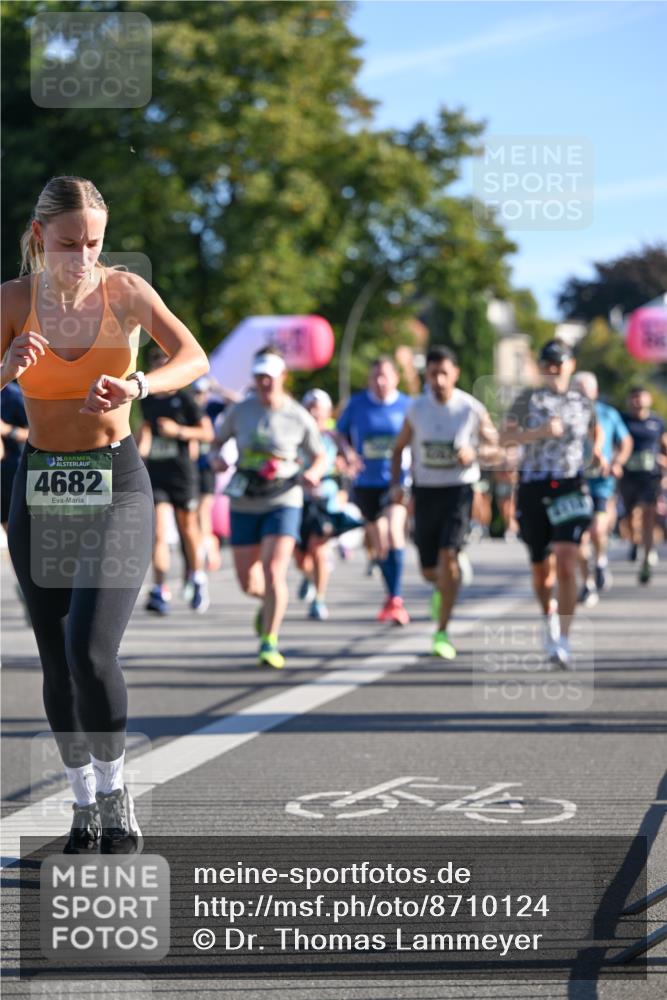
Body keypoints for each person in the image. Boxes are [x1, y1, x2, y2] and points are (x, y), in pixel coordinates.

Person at [1, 176, 208, 854]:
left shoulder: (124, 291)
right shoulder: (11, 301)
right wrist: (5, 369)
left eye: (94, 242)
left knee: (91, 650)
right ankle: (82, 804)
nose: (82, 256)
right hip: (40, 485)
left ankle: (117, 797)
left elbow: (191, 355)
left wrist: (139, 383)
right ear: (40, 238)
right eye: (68, 244)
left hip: (115, 481)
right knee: (55, 663)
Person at [212, 347, 326, 668]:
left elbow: (318, 454)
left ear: (282, 378)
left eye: (269, 378)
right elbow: (217, 442)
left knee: (274, 570)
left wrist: (314, 473)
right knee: (248, 582)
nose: (264, 384)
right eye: (259, 377)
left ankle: (269, 641)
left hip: (283, 498)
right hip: (245, 498)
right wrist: (216, 458)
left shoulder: (297, 415)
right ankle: (269, 604)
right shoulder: (240, 411)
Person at [391, 345, 500, 659]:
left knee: (448, 557)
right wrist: (396, 485)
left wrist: (475, 454)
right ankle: (442, 584)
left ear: (455, 374)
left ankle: (442, 632)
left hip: (458, 490)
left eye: (444, 374)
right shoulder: (416, 408)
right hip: (426, 491)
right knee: (428, 570)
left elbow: (497, 449)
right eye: (432, 374)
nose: (438, 380)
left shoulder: (471, 408)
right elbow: (398, 449)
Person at [501, 340, 603, 667]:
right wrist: (540, 432)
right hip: (534, 485)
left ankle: (565, 639)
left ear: (571, 364)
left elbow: (595, 430)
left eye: (560, 362)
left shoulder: (582, 401)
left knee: (567, 558)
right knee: (540, 567)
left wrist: (598, 450)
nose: (554, 369)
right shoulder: (526, 399)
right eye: (548, 363)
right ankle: (549, 618)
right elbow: (504, 438)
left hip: (570, 485)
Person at [136, 347, 214, 614]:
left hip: (182, 473)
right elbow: (145, 432)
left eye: (163, 363)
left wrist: (178, 430)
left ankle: (197, 576)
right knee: (158, 532)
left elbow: (207, 433)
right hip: (156, 472)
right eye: (155, 364)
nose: (159, 368)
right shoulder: (146, 400)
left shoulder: (186, 399)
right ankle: (160, 589)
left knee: (188, 527)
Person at [336, 356, 412, 625]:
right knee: (379, 544)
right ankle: (391, 596)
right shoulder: (357, 404)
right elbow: (338, 432)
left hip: (397, 481)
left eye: (385, 376)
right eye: (375, 377)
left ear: (396, 378)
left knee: (393, 533)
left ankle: (397, 599)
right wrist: (347, 454)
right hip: (366, 483)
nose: (380, 382)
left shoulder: (407, 405)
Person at [295, 389, 362, 620]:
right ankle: (308, 577)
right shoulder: (294, 433)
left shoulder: (333, 437)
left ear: (327, 412)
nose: (314, 411)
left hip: (325, 501)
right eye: (309, 406)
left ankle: (319, 599)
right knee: (299, 556)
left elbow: (351, 463)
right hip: (297, 498)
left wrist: (347, 469)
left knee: (319, 549)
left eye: (318, 407)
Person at [571, 372, 633, 603]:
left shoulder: (608, 414)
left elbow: (625, 442)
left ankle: (600, 562)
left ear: (594, 392)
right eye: (576, 392)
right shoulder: (565, 415)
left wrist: (617, 462)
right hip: (574, 481)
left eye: (585, 392)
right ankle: (586, 584)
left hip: (601, 480)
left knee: (597, 528)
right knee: (579, 537)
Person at [619, 387, 667, 584]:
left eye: (640, 397)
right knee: (631, 517)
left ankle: (646, 560)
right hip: (627, 476)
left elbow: (665, 446)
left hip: (650, 477)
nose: (637, 401)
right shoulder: (622, 421)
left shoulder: (656, 422)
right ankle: (634, 541)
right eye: (634, 398)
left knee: (648, 516)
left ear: (648, 399)